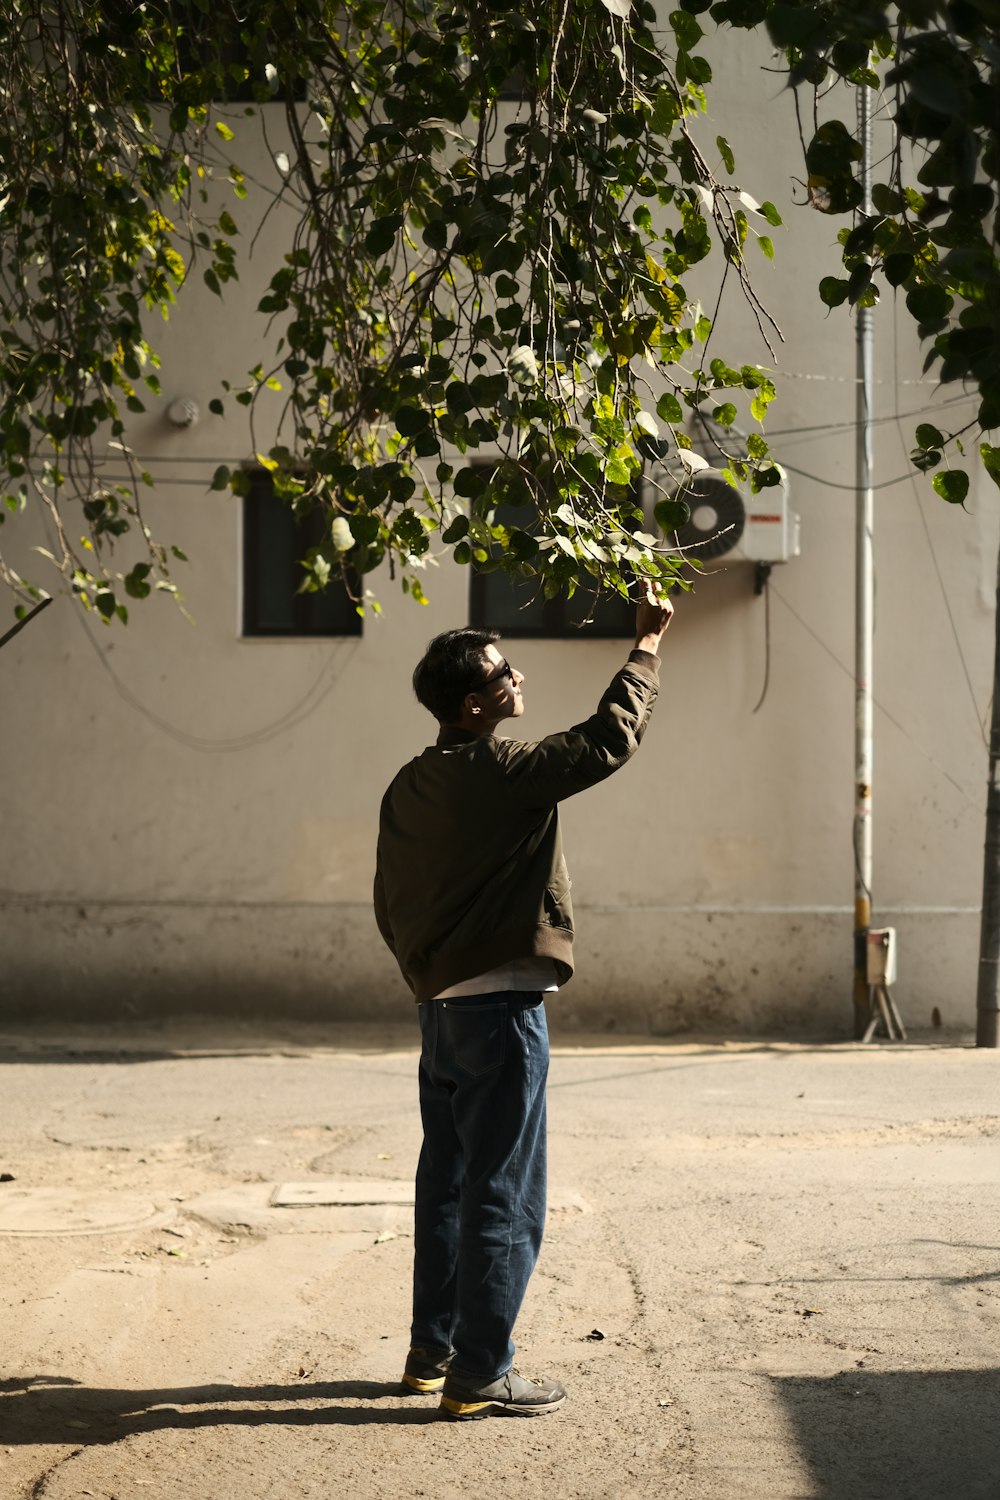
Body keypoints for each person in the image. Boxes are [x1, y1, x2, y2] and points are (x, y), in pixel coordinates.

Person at [373, 587, 674, 1420]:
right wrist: (645, 648)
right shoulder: (500, 773)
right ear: (476, 705)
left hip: (441, 1013)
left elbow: (386, 901)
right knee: (503, 1189)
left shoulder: (409, 785)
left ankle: (430, 1353)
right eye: (506, 673)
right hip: (501, 1013)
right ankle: (481, 1372)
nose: (519, 676)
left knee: (448, 1182)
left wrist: (427, 977)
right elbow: (603, 743)